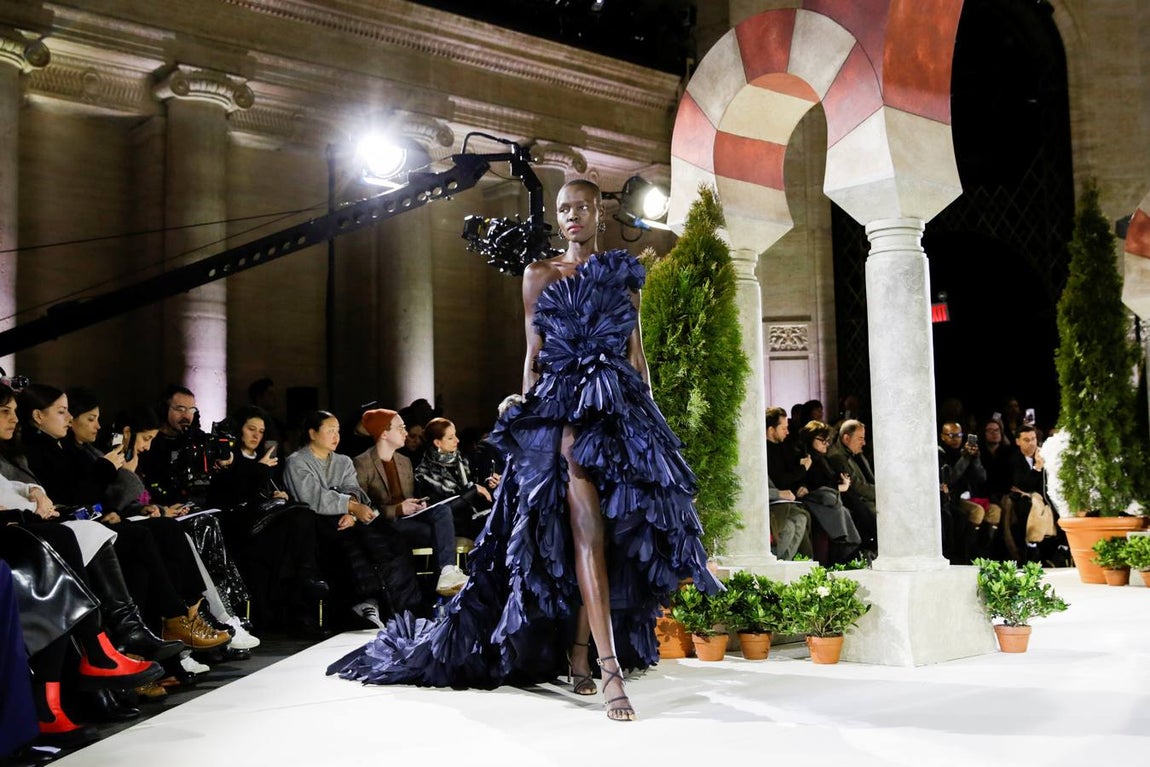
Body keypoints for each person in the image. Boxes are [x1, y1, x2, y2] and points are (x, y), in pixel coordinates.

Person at [328, 179, 720, 720]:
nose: (572, 216)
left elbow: (637, 354)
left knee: (612, 539)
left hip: (621, 414)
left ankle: (580, 653)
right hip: (564, 415)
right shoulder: (540, 274)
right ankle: (609, 672)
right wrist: (527, 416)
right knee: (584, 532)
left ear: (600, 215)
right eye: (563, 209)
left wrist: (650, 421)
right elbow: (533, 354)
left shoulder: (623, 275)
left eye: (582, 207)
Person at [284, 410, 422, 627]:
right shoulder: (297, 462)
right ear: (312, 433)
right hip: (319, 521)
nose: (336, 436)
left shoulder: (343, 461)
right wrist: (350, 506)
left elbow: (354, 489)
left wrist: (352, 512)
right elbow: (311, 496)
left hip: (350, 517)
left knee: (390, 539)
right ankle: (365, 602)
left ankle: (404, 607)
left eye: (337, 431)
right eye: (330, 431)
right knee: (353, 543)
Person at [352, 409, 468, 597]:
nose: (405, 433)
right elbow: (365, 508)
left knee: (442, 510)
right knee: (435, 533)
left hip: (409, 517)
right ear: (384, 433)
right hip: (385, 523)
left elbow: (409, 496)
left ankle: (446, 572)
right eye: (401, 428)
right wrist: (398, 509)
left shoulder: (404, 461)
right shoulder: (362, 463)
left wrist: (417, 503)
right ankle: (440, 585)